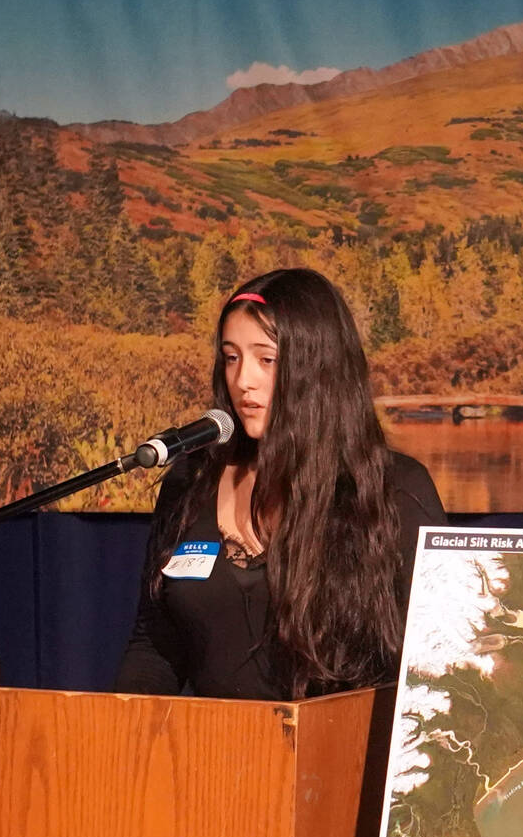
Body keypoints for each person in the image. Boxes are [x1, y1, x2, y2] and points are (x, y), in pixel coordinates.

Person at [114, 268, 445, 700]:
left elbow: (435, 663)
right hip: (213, 756)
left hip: (340, 757)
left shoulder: (392, 490)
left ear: (318, 368)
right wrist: (122, 738)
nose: (243, 380)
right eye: (231, 357)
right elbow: (156, 646)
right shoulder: (191, 480)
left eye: (265, 359)